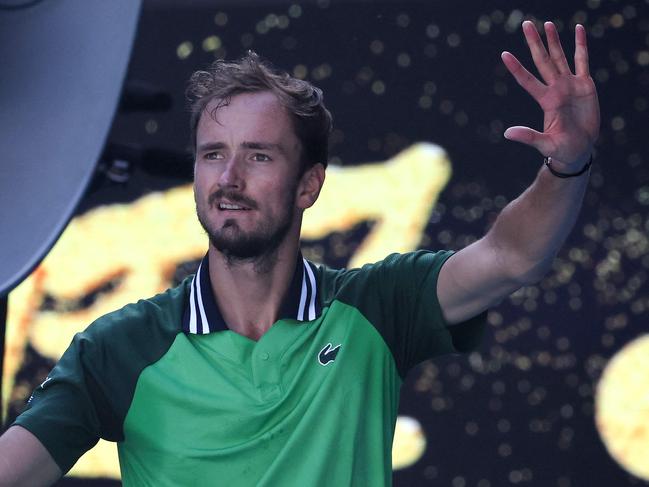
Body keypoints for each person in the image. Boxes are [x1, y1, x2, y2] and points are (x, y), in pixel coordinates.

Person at [0, 20, 598, 486]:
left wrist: (566, 164)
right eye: (213, 154)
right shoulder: (118, 347)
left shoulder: (378, 306)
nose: (229, 178)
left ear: (309, 184)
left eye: (258, 155)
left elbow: (512, 257)